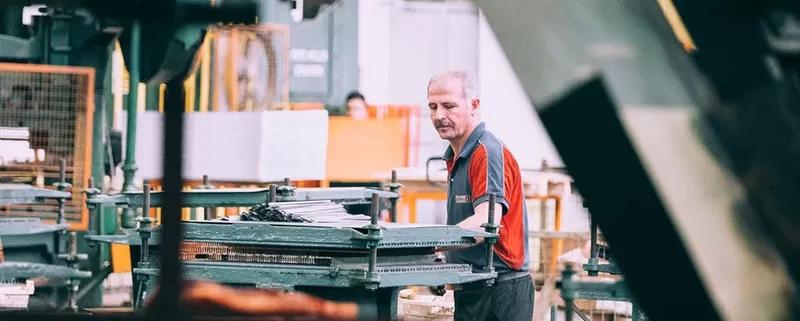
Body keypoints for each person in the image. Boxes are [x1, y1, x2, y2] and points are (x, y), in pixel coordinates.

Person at [427, 71, 533, 321]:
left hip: (500, 290)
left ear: (474, 105)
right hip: (474, 286)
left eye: (449, 106)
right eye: (433, 107)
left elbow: (486, 221)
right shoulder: (457, 157)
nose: (439, 115)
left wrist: (424, 245)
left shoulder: (486, 152)